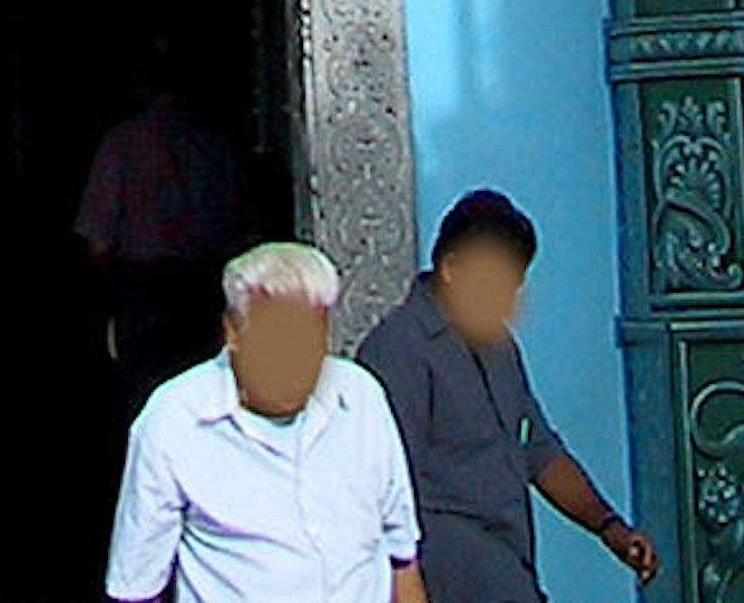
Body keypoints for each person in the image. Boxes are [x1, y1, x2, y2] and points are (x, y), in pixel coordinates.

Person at [355, 195, 654, 603]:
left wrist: (610, 528)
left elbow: (540, 451)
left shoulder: (500, 347)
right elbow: (384, 495)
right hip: (447, 580)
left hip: (508, 570)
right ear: (451, 269)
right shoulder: (398, 349)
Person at [108, 242, 419, 603]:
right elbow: (136, 587)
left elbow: (402, 557)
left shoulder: (361, 398)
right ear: (234, 333)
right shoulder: (174, 421)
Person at [76, 52, 241, 406]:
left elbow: (98, 241)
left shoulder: (121, 143)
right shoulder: (211, 143)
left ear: (139, 85)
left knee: (145, 400)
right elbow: (232, 228)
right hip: (202, 290)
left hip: (144, 292)